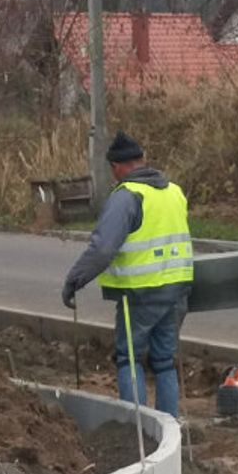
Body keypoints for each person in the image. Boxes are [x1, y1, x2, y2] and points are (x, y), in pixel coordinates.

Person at [61, 132, 192, 416]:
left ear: (118, 166)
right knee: (164, 361)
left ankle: (136, 426)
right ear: (142, 161)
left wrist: (75, 279)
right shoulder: (174, 191)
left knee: (129, 358)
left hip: (141, 292)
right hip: (177, 289)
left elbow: (103, 248)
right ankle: (169, 428)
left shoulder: (126, 197)